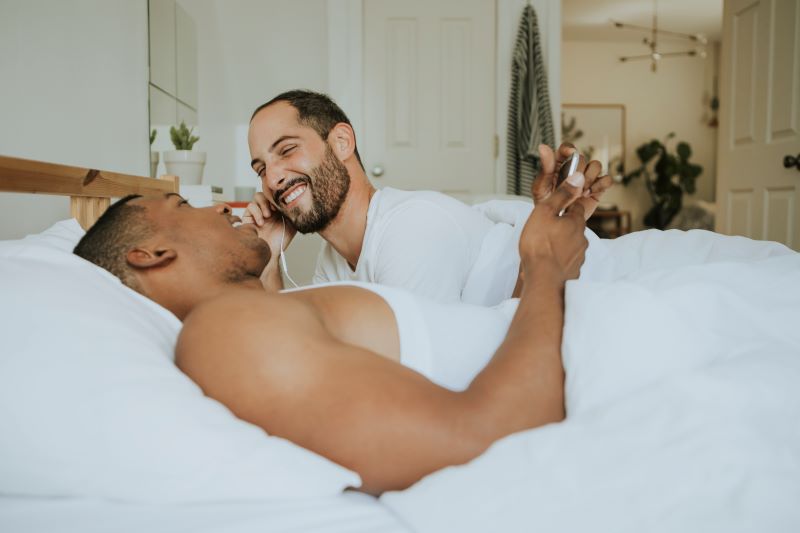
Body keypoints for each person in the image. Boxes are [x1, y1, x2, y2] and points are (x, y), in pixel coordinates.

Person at [73, 169, 591, 495]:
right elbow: (483, 437)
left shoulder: (268, 315)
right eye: (184, 207)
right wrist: (547, 264)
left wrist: (541, 245)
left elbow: (479, 342)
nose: (222, 207)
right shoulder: (223, 332)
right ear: (150, 254)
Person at [244, 89, 611, 305]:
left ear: (341, 142)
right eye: (260, 169)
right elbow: (298, 346)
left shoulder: (411, 227)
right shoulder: (334, 262)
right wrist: (269, 259)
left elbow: (417, 379)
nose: (272, 178)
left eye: (287, 150)